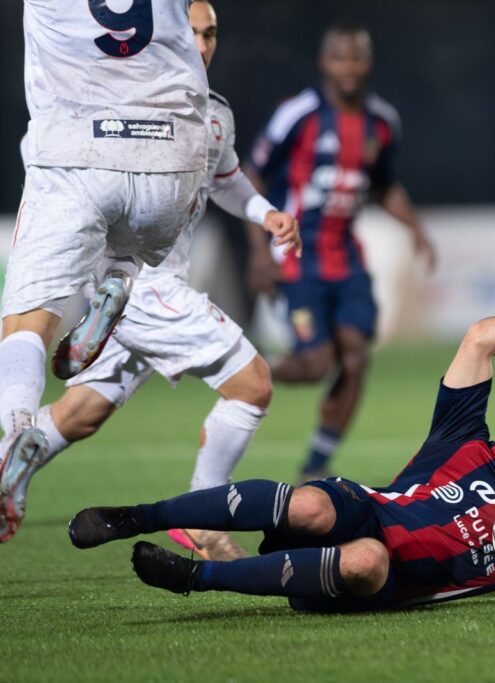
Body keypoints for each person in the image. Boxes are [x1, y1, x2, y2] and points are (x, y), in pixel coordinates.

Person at [68, 296, 495, 611]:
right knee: (314, 503)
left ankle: (195, 578)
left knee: (369, 560)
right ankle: (135, 516)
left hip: (359, 580)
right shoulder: (462, 435)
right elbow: (481, 337)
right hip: (360, 509)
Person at [0, 0, 302, 552]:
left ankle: (13, 443)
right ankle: (205, 522)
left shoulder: (213, 112)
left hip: (122, 228)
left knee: (78, 412)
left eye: (211, 34)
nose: (203, 45)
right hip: (154, 279)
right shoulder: (168, 104)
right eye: (194, 32)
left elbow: (228, 178)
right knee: (253, 385)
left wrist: (266, 214)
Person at [0, 0, 212, 542]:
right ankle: (119, 276)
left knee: (26, 324)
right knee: (130, 240)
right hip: (174, 155)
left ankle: (14, 434)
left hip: (77, 147)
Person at [245, 24, 436, 482]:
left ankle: (316, 463)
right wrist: (258, 252)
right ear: (324, 62)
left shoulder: (382, 122)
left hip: (347, 258)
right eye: (339, 57)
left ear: (368, 62)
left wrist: (416, 228)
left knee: (355, 358)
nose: (348, 67)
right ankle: (247, 367)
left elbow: (384, 186)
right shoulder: (299, 114)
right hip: (296, 255)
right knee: (316, 365)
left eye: (356, 57)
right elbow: (251, 174)